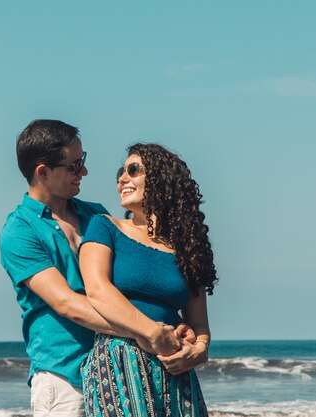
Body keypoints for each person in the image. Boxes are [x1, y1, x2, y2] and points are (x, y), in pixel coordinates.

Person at [0, 121, 192, 417]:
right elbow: (67, 304)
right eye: (74, 166)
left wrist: (176, 327)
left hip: (121, 371)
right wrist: (146, 331)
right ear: (43, 172)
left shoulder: (96, 215)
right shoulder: (19, 231)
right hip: (66, 377)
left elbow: (134, 283)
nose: (84, 172)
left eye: (83, 160)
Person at [79, 143, 217, 417]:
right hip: (119, 359)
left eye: (133, 170)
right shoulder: (105, 226)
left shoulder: (189, 247)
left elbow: (200, 324)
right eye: (121, 172)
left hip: (175, 367)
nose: (122, 179)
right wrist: (152, 332)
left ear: (161, 179)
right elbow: (97, 290)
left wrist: (198, 351)